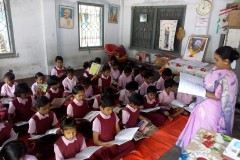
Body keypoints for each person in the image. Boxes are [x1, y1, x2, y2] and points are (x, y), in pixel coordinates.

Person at [177, 46, 239, 149]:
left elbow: (218, 97)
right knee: (196, 130)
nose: (214, 62)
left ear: (226, 61)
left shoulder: (229, 78)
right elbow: (208, 82)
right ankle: (191, 153)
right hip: (202, 105)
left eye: (217, 60)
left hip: (212, 110)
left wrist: (200, 91)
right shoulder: (216, 69)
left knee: (206, 135)